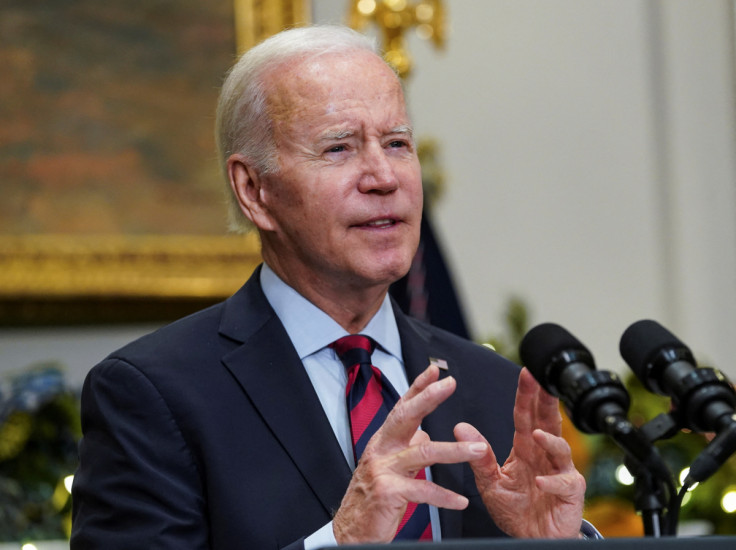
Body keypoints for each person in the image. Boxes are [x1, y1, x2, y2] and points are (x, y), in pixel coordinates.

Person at [70, 25, 597, 549]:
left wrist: (554, 545)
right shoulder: (153, 395)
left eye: (396, 143)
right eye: (340, 148)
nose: (382, 177)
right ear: (254, 190)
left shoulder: (491, 387)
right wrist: (337, 543)